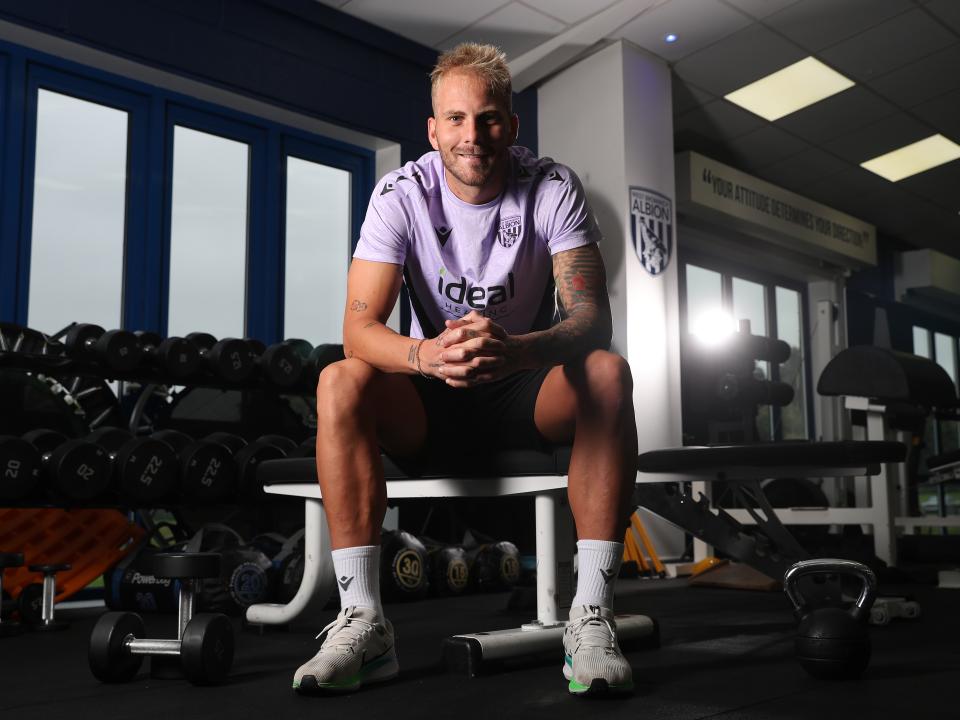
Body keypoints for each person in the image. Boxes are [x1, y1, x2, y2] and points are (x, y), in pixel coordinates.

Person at [293, 42, 637, 697]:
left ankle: (591, 616)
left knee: (607, 373)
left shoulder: (551, 187)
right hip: (431, 393)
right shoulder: (401, 194)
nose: (471, 135)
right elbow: (358, 330)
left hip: (525, 386)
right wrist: (425, 354)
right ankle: (363, 621)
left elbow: (592, 317)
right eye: (454, 120)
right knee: (339, 377)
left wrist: (520, 350)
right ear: (432, 129)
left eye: (486, 119)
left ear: (511, 124)